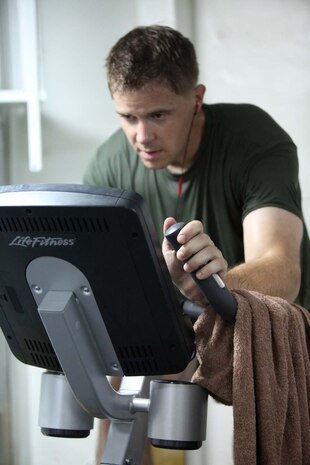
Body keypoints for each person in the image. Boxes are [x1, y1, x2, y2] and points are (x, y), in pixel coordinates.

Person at [83, 24, 310, 464]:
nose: (141, 138)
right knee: (117, 383)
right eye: (128, 117)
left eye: (159, 116)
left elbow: (283, 268)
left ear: (197, 98)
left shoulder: (253, 139)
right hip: (178, 323)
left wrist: (212, 286)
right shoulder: (110, 163)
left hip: (278, 316)